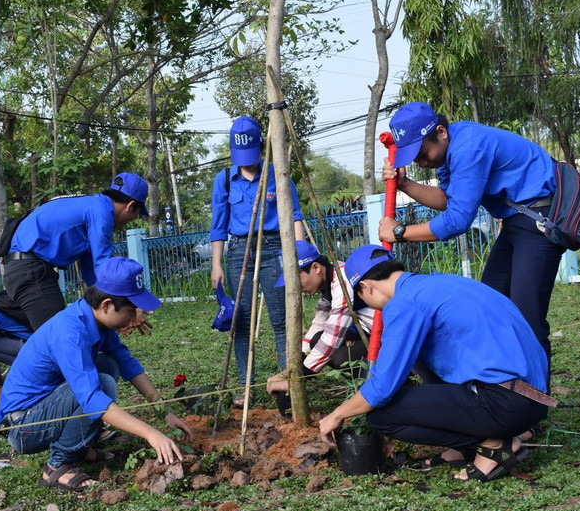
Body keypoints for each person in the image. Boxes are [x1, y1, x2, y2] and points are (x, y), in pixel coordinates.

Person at [317, 245, 551, 482]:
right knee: (420, 356)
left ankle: (494, 444)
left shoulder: (404, 303)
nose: (371, 306)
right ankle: (467, 447)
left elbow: (381, 388)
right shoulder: (442, 283)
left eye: (362, 299)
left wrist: (337, 414)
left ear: (367, 287)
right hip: (533, 400)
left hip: (504, 403)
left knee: (381, 416)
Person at [379, 102, 567, 375]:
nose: (422, 163)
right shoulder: (450, 151)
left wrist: (400, 233)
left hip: (539, 219)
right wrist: (405, 184)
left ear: (441, 132)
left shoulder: (469, 147)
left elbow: (457, 220)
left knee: (527, 317)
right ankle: (505, 383)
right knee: (490, 305)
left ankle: (535, 393)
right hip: (517, 221)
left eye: (422, 153)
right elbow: (447, 200)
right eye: (415, 160)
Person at [0, 257, 192, 492]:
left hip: (45, 408)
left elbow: (127, 364)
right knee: (102, 384)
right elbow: (91, 399)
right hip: (24, 427)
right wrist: (151, 434)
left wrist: (164, 412)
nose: (135, 319)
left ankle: (80, 446)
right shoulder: (69, 331)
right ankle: (57, 466)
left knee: (109, 364)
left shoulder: (98, 322)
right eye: (131, 311)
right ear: (106, 305)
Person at [209, 115, 306, 404]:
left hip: (274, 249)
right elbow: (218, 227)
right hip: (239, 252)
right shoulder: (224, 180)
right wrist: (216, 264)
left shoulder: (278, 174)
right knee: (242, 323)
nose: (246, 162)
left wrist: (300, 255)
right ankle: (246, 388)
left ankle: (287, 384)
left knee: (280, 320)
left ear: (261, 147)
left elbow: (295, 216)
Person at [2, 172, 150, 332]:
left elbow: (92, 273)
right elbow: (105, 267)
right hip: (31, 272)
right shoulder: (102, 211)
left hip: (25, 269)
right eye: (136, 214)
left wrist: (115, 311)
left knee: (84, 331)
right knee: (59, 335)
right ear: (130, 206)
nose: (132, 219)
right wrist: (132, 305)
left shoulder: (91, 206)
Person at [266, 241, 375, 396]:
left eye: (297, 279)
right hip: (368, 332)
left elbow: (332, 337)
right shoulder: (328, 281)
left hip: (388, 334)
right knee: (316, 339)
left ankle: (375, 387)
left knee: (340, 357)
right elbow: (319, 323)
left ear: (316, 268)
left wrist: (297, 379)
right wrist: (289, 371)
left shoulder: (342, 281)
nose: (296, 287)